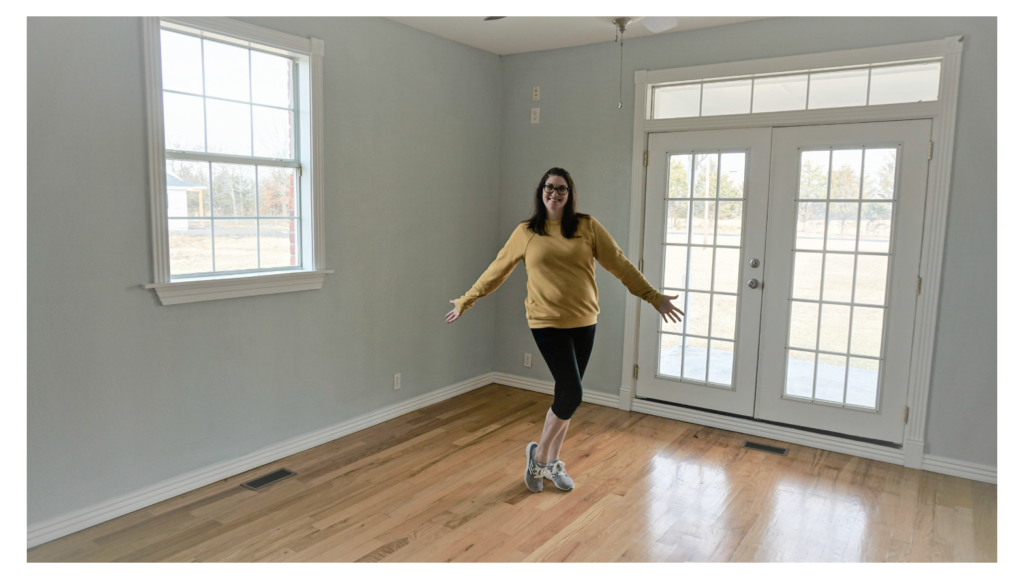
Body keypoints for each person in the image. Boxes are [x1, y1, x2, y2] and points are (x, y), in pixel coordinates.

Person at [444, 168, 683, 492]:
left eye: (561, 189)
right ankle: (540, 456)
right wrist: (465, 300)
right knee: (573, 393)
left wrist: (653, 297)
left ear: (570, 194)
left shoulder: (586, 226)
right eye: (549, 187)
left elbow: (620, 264)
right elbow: (496, 271)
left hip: (584, 320)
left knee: (565, 395)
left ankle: (550, 460)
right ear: (541, 191)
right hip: (546, 321)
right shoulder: (526, 232)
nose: (554, 194)